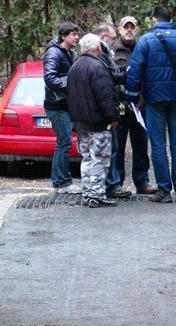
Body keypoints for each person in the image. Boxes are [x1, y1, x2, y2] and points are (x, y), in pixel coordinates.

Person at [125, 4, 176, 203]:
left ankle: (164, 190)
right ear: (171, 18)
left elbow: (135, 72)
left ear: (154, 20)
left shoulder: (146, 41)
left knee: (158, 145)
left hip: (154, 99)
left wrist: (132, 97)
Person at [67, 33, 120, 208]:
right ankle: (97, 194)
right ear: (98, 48)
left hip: (81, 123)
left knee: (87, 158)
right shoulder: (98, 67)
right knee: (100, 158)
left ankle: (88, 192)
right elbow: (106, 96)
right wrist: (113, 117)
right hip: (98, 123)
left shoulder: (75, 67)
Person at [113, 16, 157, 195]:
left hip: (141, 106)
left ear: (137, 29)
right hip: (120, 107)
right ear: (119, 30)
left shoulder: (144, 48)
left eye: (132, 27)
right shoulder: (112, 51)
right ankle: (117, 183)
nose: (129, 30)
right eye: (126, 27)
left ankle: (142, 181)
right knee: (118, 148)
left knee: (141, 147)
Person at [91, 23, 132, 200]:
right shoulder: (98, 60)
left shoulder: (106, 56)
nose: (115, 41)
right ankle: (109, 186)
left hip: (111, 107)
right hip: (104, 112)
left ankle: (110, 185)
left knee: (111, 149)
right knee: (107, 150)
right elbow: (105, 88)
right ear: (102, 38)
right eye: (112, 38)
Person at [43, 22, 82, 194]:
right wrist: (68, 87)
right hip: (56, 105)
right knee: (64, 141)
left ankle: (61, 181)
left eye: (77, 34)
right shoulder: (54, 53)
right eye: (73, 34)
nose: (76, 37)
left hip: (65, 104)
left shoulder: (70, 53)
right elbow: (49, 77)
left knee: (64, 142)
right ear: (63, 36)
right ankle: (61, 182)